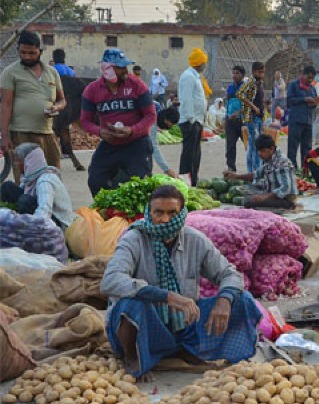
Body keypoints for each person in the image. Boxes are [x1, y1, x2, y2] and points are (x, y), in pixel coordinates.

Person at [101, 185, 260, 380]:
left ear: (182, 214)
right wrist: (166, 297)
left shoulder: (195, 240)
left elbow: (229, 274)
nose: (165, 220)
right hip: (148, 327)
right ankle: (134, 358)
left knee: (241, 299)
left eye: (172, 213)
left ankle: (186, 350)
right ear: (148, 212)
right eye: (158, 213)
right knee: (129, 304)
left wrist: (224, 300)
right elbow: (111, 280)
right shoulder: (133, 239)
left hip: (185, 326)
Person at [80, 48, 156, 196]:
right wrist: (100, 132)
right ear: (107, 69)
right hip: (110, 144)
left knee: (139, 187)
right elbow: (85, 121)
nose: (125, 71)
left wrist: (132, 130)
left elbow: (151, 116)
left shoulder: (137, 85)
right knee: (96, 180)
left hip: (137, 143)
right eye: (121, 68)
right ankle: (106, 213)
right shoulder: (92, 90)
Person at [1, 30, 66, 182]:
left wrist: (56, 107)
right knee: (26, 180)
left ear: (40, 52)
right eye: (23, 52)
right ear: (18, 51)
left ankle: (50, 206)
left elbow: (62, 100)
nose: (27, 57)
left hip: (47, 132)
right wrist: (4, 136)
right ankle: (27, 206)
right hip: (21, 133)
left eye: (32, 53)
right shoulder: (10, 72)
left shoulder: (52, 72)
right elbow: (5, 105)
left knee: (53, 177)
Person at [0, 143, 74, 229]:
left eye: (19, 161)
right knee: (7, 187)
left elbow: (44, 212)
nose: (16, 164)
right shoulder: (29, 178)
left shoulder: (45, 180)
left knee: (24, 201)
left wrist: (24, 225)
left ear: (29, 162)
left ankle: (27, 230)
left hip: (57, 225)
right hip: (42, 217)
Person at [224, 135, 299, 210]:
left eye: (263, 151)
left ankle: (288, 206)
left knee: (248, 202)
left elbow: (285, 188)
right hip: (273, 194)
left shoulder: (282, 163)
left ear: (271, 149)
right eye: (259, 151)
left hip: (286, 199)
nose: (260, 154)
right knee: (248, 191)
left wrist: (265, 196)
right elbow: (256, 174)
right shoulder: (269, 160)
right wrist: (237, 176)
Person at [177, 48, 210, 187]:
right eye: (204, 63)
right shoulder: (188, 76)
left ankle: (193, 180)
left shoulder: (195, 76)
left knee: (196, 154)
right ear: (200, 63)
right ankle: (186, 181)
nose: (205, 65)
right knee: (189, 154)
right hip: (191, 121)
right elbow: (187, 99)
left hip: (197, 120)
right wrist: (191, 119)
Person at [286, 65, 319, 169]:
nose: (310, 80)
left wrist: (315, 102)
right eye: (308, 77)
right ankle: (293, 169)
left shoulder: (313, 88)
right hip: (296, 120)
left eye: (312, 78)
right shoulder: (293, 85)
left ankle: (306, 169)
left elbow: (313, 104)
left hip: (308, 121)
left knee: (307, 148)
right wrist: (304, 99)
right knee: (293, 148)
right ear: (302, 75)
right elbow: (289, 101)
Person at [238, 61, 267, 173]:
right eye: (260, 72)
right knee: (254, 145)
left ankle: (254, 170)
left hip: (258, 118)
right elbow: (239, 94)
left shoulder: (259, 83)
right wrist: (253, 106)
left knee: (254, 144)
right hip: (251, 117)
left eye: (263, 72)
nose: (262, 74)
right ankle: (254, 171)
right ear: (254, 71)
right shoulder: (250, 82)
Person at [224, 65, 246, 172]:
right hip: (230, 120)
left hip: (242, 120)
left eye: (237, 73)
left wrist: (238, 113)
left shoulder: (246, 88)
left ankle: (254, 167)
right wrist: (226, 117)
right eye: (233, 73)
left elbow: (248, 104)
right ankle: (231, 167)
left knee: (248, 144)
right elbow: (228, 103)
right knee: (230, 145)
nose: (235, 75)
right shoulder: (230, 87)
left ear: (242, 75)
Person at [149, 105, 178, 178]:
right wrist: (167, 169)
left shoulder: (157, 111)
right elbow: (154, 147)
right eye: (168, 124)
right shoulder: (151, 121)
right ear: (165, 120)